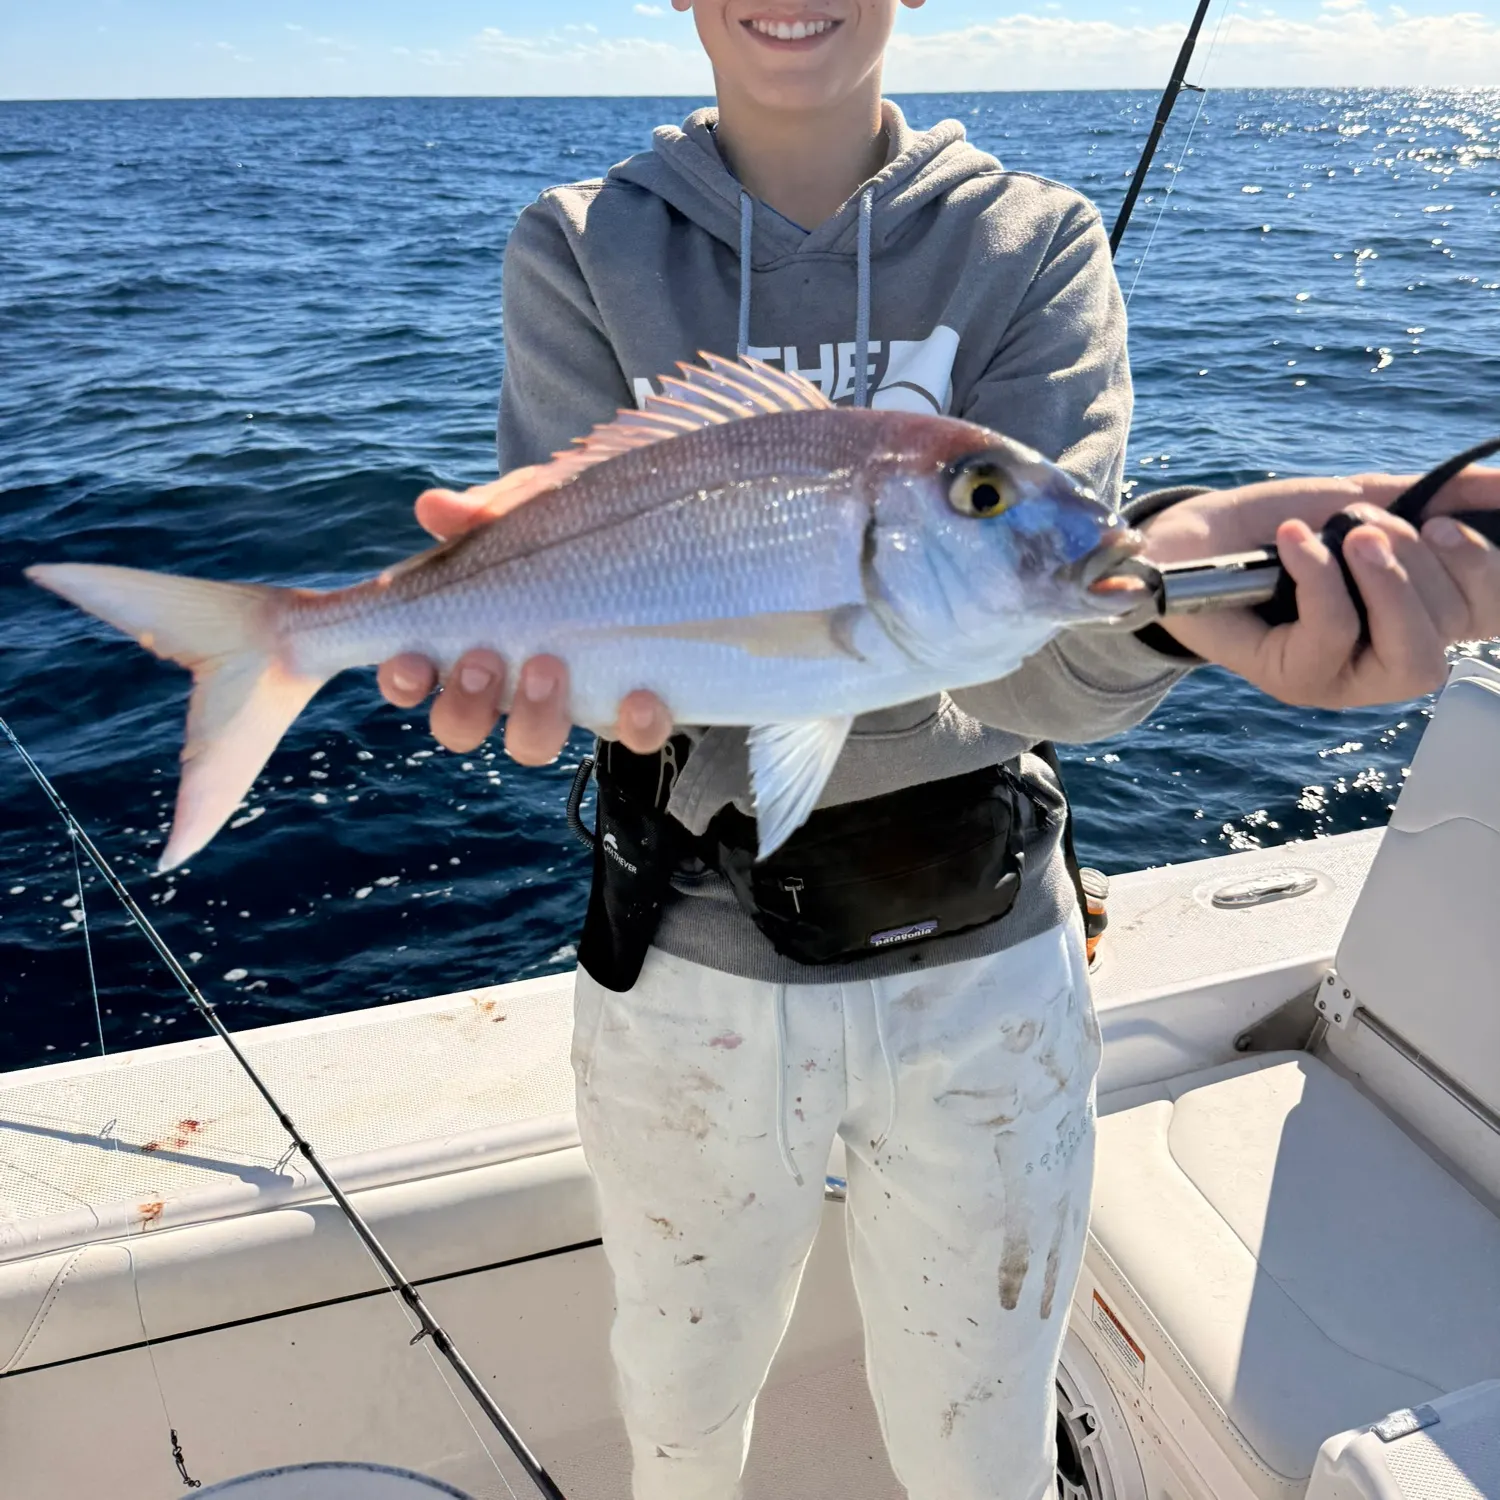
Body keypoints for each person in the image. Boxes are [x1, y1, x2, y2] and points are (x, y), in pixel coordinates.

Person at [378, 3, 1500, 1497]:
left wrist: (1175, 608)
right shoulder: (585, 243)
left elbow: (1047, 647)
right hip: (687, 953)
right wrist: (548, 662)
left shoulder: (1030, 243)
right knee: (679, 1400)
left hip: (986, 964)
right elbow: (594, 602)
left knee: (984, 1434)